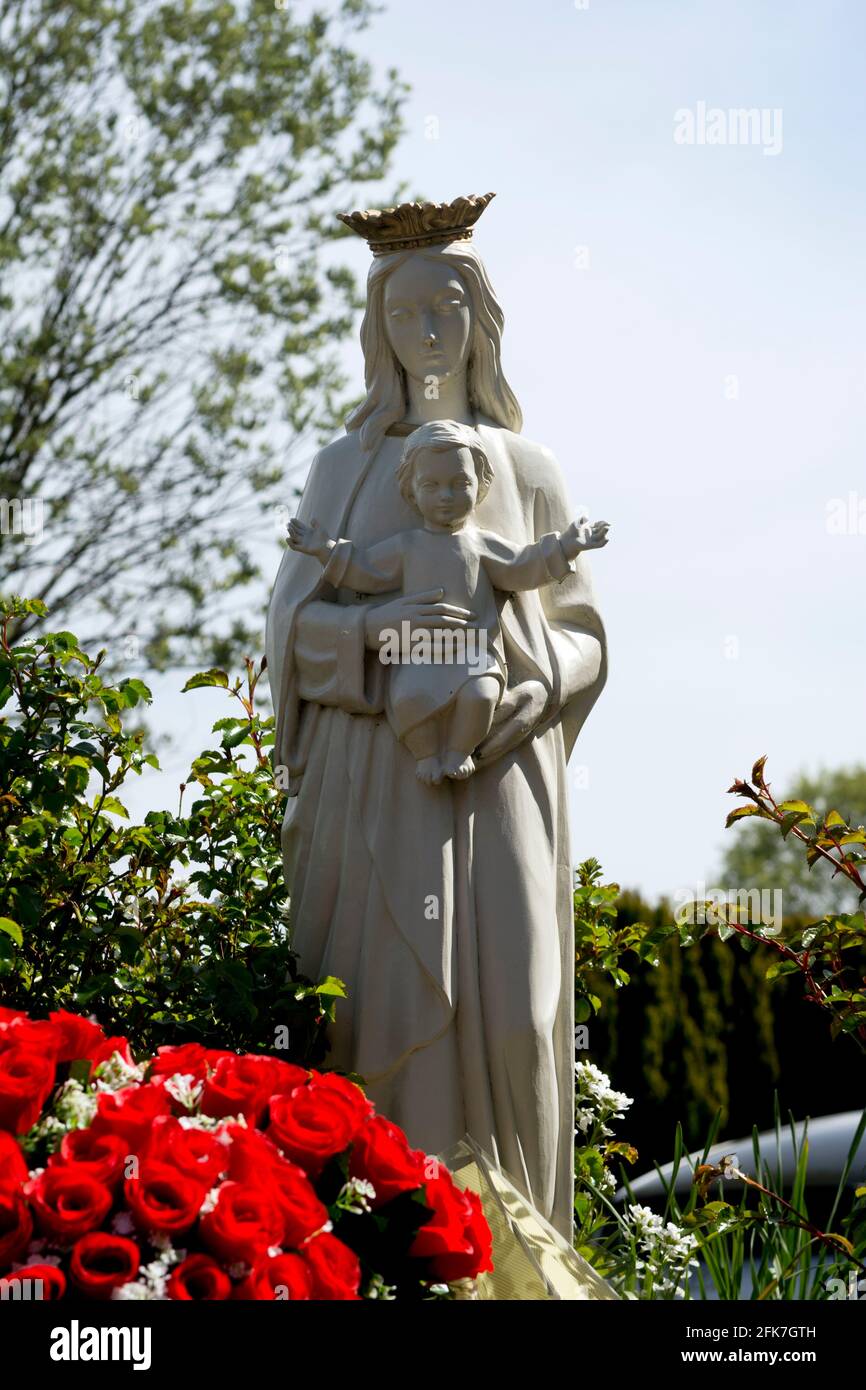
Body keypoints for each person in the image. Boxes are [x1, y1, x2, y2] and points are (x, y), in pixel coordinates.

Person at [265, 194, 608, 1240]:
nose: (423, 333)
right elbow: (290, 628)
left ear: (478, 319)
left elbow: (584, 628)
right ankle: (393, 1246)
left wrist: (533, 684)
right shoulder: (343, 468)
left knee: (522, 1012)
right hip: (373, 786)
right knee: (379, 1021)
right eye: (401, 314)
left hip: (502, 769)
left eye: (443, 309)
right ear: (376, 329)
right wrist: (381, 638)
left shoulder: (529, 469)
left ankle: (518, 1248)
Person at [287, 418, 609, 784]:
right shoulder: (406, 546)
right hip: (420, 652)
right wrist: (323, 550)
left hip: (476, 652)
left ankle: (458, 752)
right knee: (409, 699)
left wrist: (567, 546)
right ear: (410, 491)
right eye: (432, 485)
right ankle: (426, 754)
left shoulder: (482, 545)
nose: (445, 496)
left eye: (460, 485)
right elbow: (366, 571)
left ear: (480, 487)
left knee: (482, 695)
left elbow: (523, 567)